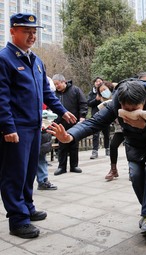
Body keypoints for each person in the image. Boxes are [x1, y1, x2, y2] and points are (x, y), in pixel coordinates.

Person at [47, 79, 146, 235]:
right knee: (135, 174)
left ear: (144, 102)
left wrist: (145, 126)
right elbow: (94, 123)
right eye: (126, 110)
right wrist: (70, 136)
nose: (130, 114)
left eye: (135, 110)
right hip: (135, 142)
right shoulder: (116, 102)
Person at [0, 13, 76, 239]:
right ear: (13, 31)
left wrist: (62, 110)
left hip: (34, 126)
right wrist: (7, 127)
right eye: (26, 31)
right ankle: (18, 219)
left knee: (29, 171)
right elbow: (1, 97)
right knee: (14, 174)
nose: (32, 36)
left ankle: (28, 207)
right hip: (16, 128)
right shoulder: (4, 59)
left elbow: (46, 93)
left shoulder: (37, 61)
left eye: (34, 32)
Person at [53, 74, 88, 176]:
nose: (56, 86)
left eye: (58, 84)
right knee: (61, 146)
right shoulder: (54, 94)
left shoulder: (75, 90)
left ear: (64, 81)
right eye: (55, 85)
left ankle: (74, 165)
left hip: (74, 122)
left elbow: (83, 103)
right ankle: (61, 167)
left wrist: (82, 116)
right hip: (60, 123)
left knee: (74, 144)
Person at [87, 77, 111, 159]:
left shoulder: (106, 90)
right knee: (95, 134)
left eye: (100, 81)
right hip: (96, 114)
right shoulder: (92, 93)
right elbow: (89, 103)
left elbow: (109, 99)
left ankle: (108, 149)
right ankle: (95, 151)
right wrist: (96, 100)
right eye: (96, 81)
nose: (98, 82)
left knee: (106, 133)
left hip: (106, 114)